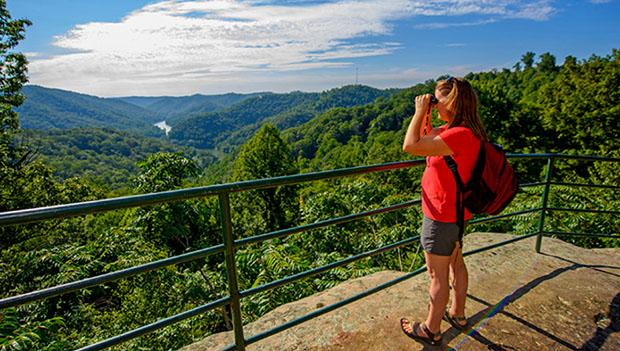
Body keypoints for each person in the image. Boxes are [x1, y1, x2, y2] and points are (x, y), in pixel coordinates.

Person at [399, 76, 489, 346]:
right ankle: (458, 315)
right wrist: (426, 114)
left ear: (452, 101)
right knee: (456, 263)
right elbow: (426, 138)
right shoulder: (462, 130)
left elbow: (411, 145)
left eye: (438, 99)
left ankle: (431, 329)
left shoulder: (458, 135)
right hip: (457, 215)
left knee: (437, 274)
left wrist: (418, 112)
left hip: (441, 217)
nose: (434, 103)